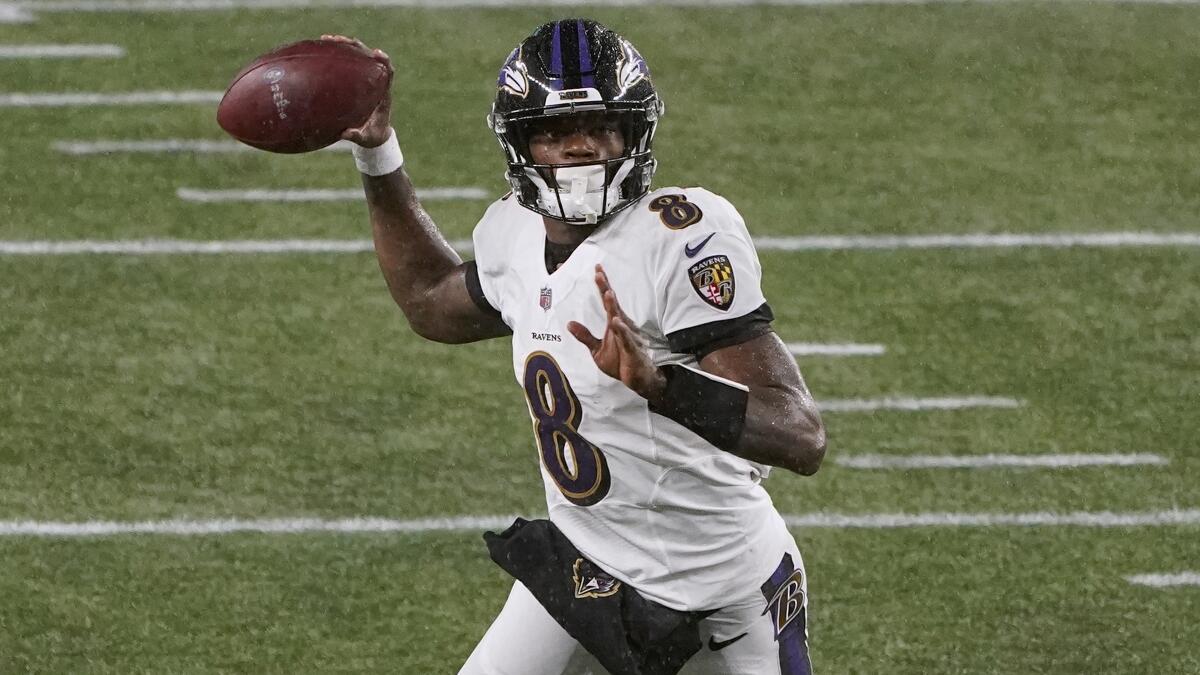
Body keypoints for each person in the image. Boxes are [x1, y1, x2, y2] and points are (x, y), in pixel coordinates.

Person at [331, 18, 826, 675]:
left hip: (720, 589)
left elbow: (800, 436)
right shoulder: (512, 232)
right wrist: (377, 153)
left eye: (601, 126)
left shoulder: (679, 237)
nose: (581, 147)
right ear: (521, 143)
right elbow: (430, 301)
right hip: (587, 561)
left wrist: (663, 386)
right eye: (555, 131)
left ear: (634, 133)